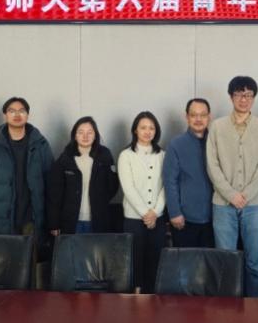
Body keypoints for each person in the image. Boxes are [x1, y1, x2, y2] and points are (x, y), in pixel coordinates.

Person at [206, 76, 258, 297]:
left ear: (253, 98)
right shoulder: (217, 127)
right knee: (225, 262)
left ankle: (256, 309)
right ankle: (226, 310)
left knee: (255, 263)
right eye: (238, 94)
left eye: (248, 95)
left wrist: (246, 195)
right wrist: (231, 195)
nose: (244, 99)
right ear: (231, 97)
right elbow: (212, 165)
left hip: (255, 205)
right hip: (223, 205)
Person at [0, 97, 54, 276]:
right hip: (1, 215)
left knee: (30, 267)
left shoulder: (40, 144)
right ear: (5, 115)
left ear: (28, 115)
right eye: (12, 111)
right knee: (2, 267)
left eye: (21, 111)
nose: (17, 114)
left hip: (32, 217)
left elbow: (50, 177)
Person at [118, 111, 167, 294]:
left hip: (157, 218)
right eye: (143, 127)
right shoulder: (126, 155)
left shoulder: (163, 155)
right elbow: (128, 187)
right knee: (135, 262)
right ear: (135, 130)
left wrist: (155, 212)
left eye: (151, 128)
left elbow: (167, 186)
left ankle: (153, 299)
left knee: (156, 261)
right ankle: (136, 299)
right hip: (134, 219)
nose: (147, 132)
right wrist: (146, 213)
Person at [47, 116, 119, 235]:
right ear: (75, 136)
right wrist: (54, 223)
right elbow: (55, 194)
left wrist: (99, 200)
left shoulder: (105, 155)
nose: (85, 136)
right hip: (71, 221)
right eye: (81, 132)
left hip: (98, 220)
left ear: (95, 135)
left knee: (97, 248)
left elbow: (113, 185)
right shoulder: (65, 158)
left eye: (89, 132)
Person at [163, 98, 215, 248]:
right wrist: (174, 212)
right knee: (186, 261)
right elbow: (169, 181)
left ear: (209, 117)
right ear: (187, 117)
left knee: (211, 260)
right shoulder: (176, 144)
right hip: (185, 219)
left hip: (216, 217)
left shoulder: (216, 142)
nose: (198, 119)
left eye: (203, 115)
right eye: (193, 115)